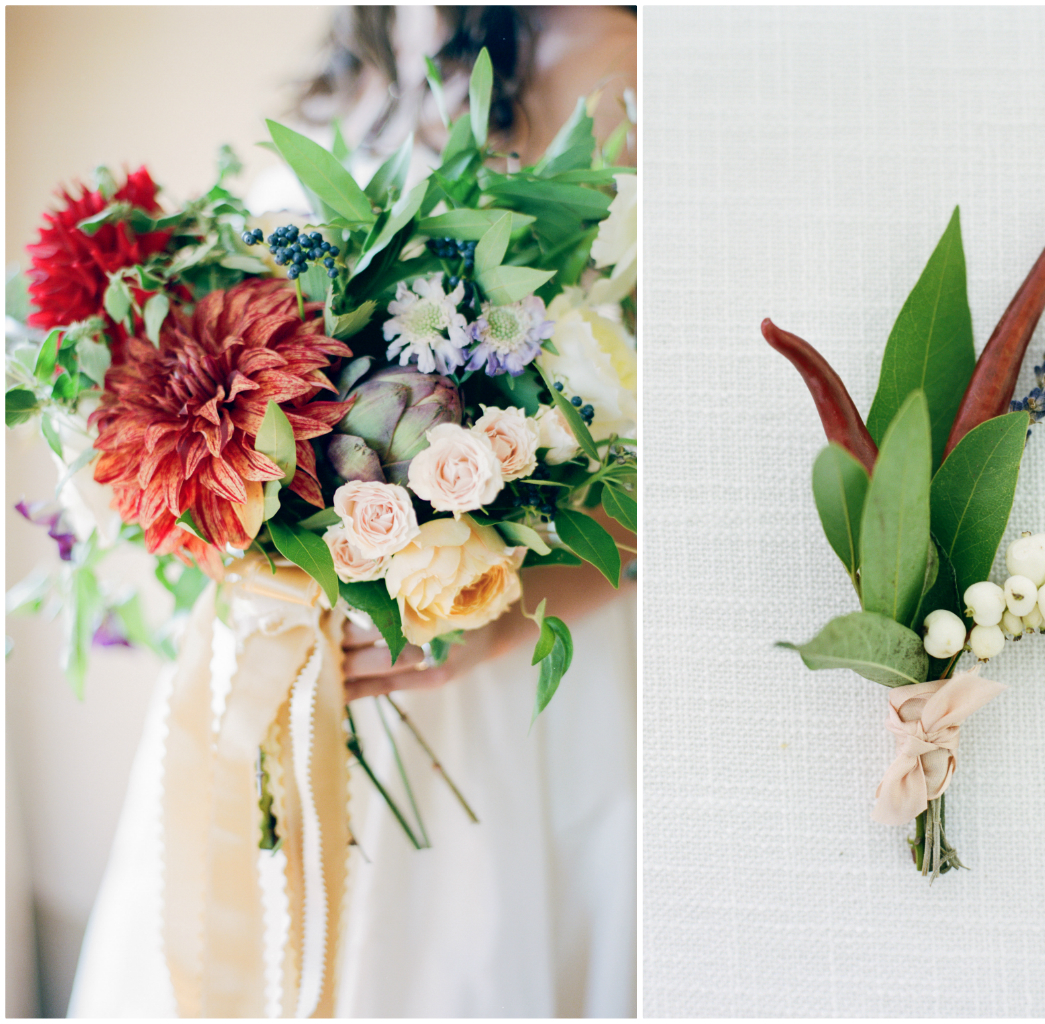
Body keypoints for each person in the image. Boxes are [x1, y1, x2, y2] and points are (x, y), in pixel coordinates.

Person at [69, 7, 637, 1017]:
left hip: (494, 679)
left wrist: (489, 613)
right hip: (287, 653)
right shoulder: (356, 55)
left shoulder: (616, 62)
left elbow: (688, 473)